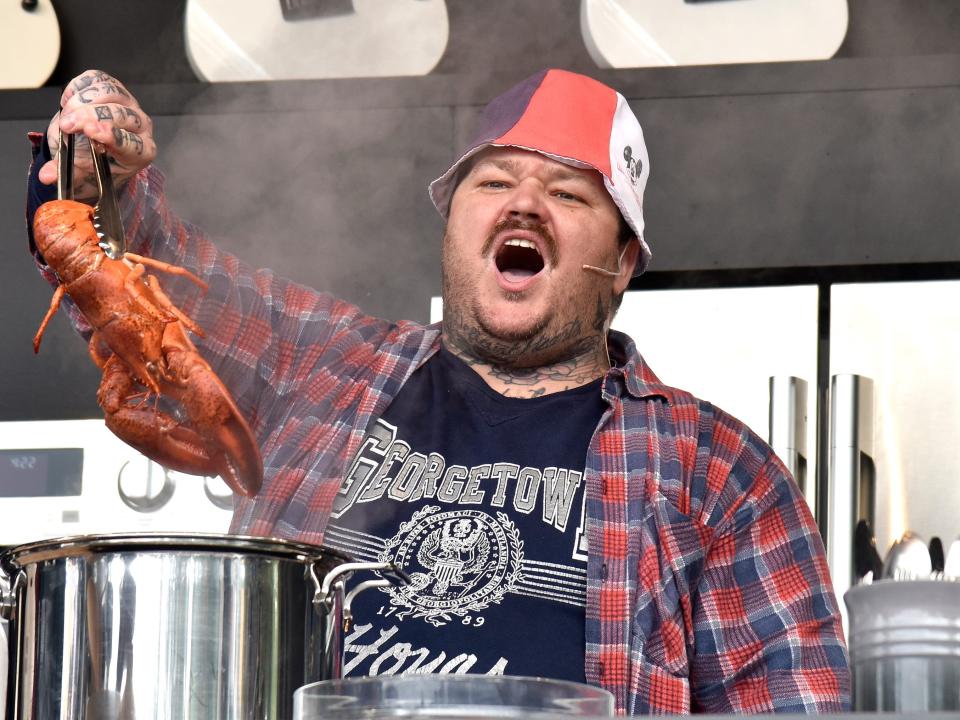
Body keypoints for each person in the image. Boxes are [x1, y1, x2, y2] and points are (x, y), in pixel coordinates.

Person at [26, 68, 850, 713]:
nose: (525, 201)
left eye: (568, 193)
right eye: (492, 183)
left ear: (624, 261)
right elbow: (161, 288)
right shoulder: (325, 368)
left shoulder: (720, 474)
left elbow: (792, 707)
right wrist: (102, 173)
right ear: (450, 224)